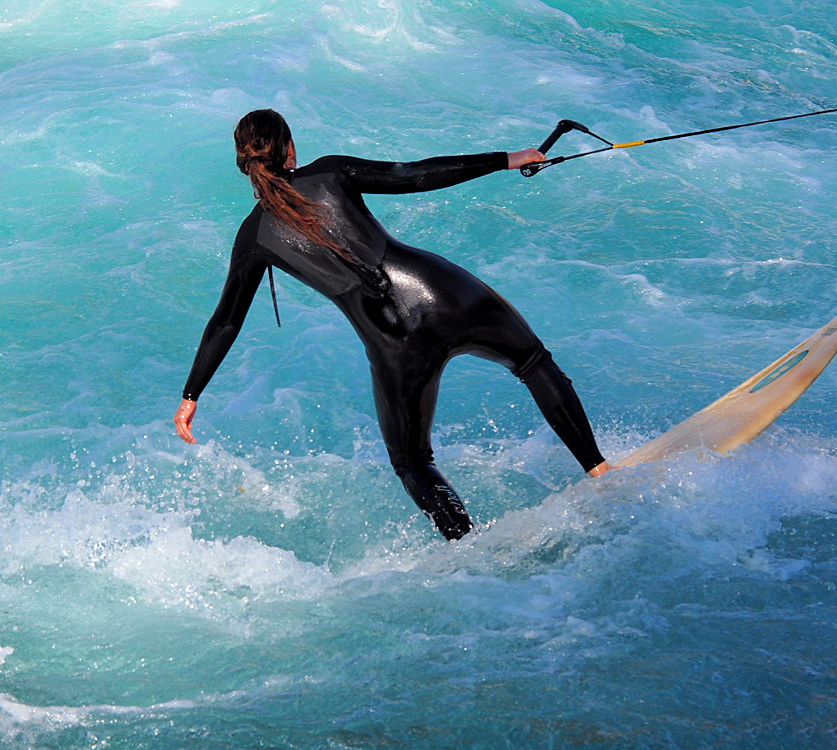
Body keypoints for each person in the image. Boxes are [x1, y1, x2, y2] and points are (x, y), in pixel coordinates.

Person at [173, 109, 611, 540]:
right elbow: (414, 175)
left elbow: (225, 322)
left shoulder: (253, 237)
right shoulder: (328, 172)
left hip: (393, 344)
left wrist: (191, 394)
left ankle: (469, 545)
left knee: (412, 462)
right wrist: (513, 157)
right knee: (533, 364)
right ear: (288, 149)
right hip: (444, 293)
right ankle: (602, 472)